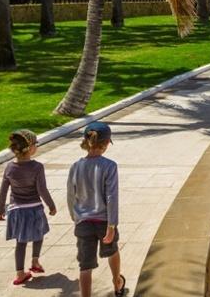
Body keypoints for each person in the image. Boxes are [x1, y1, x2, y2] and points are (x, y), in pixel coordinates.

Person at [68, 122, 127, 297]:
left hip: (83, 222)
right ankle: (117, 283)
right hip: (104, 222)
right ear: (107, 143)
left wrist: (75, 217)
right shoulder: (109, 166)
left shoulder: (76, 166)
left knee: (85, 266)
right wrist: (112, 225)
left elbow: (71, 195)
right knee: (112, 251)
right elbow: (111, 197)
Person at [0, 130, 56, 286]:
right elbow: (42, 190)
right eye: (36, 144)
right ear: (30, 148)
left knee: (20, 242)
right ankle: (35, 261)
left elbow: (3, 190)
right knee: (39, 234)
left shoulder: (9, 167)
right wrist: (51, 205)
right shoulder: (37, 167)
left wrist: (0, 210)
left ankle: (20, 273)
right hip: (34, 208)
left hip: (16, 210)